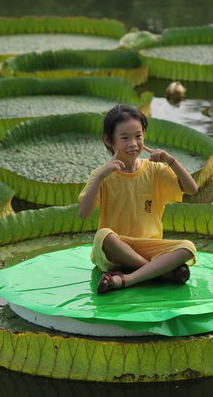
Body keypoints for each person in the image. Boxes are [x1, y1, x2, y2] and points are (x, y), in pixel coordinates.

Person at [78, 104, 198, 294]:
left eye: (138, 136)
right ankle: (157, 273)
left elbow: (192, 189)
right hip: (117, 249)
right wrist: (101, 177)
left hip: (149, 247)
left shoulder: (155, 170)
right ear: (108, 141)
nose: (133, 144)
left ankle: (130, 278)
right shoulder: (102, 175)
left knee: (188, 247)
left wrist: (171, 161)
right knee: (103, 236)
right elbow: (83, 213)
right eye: (125, 138)